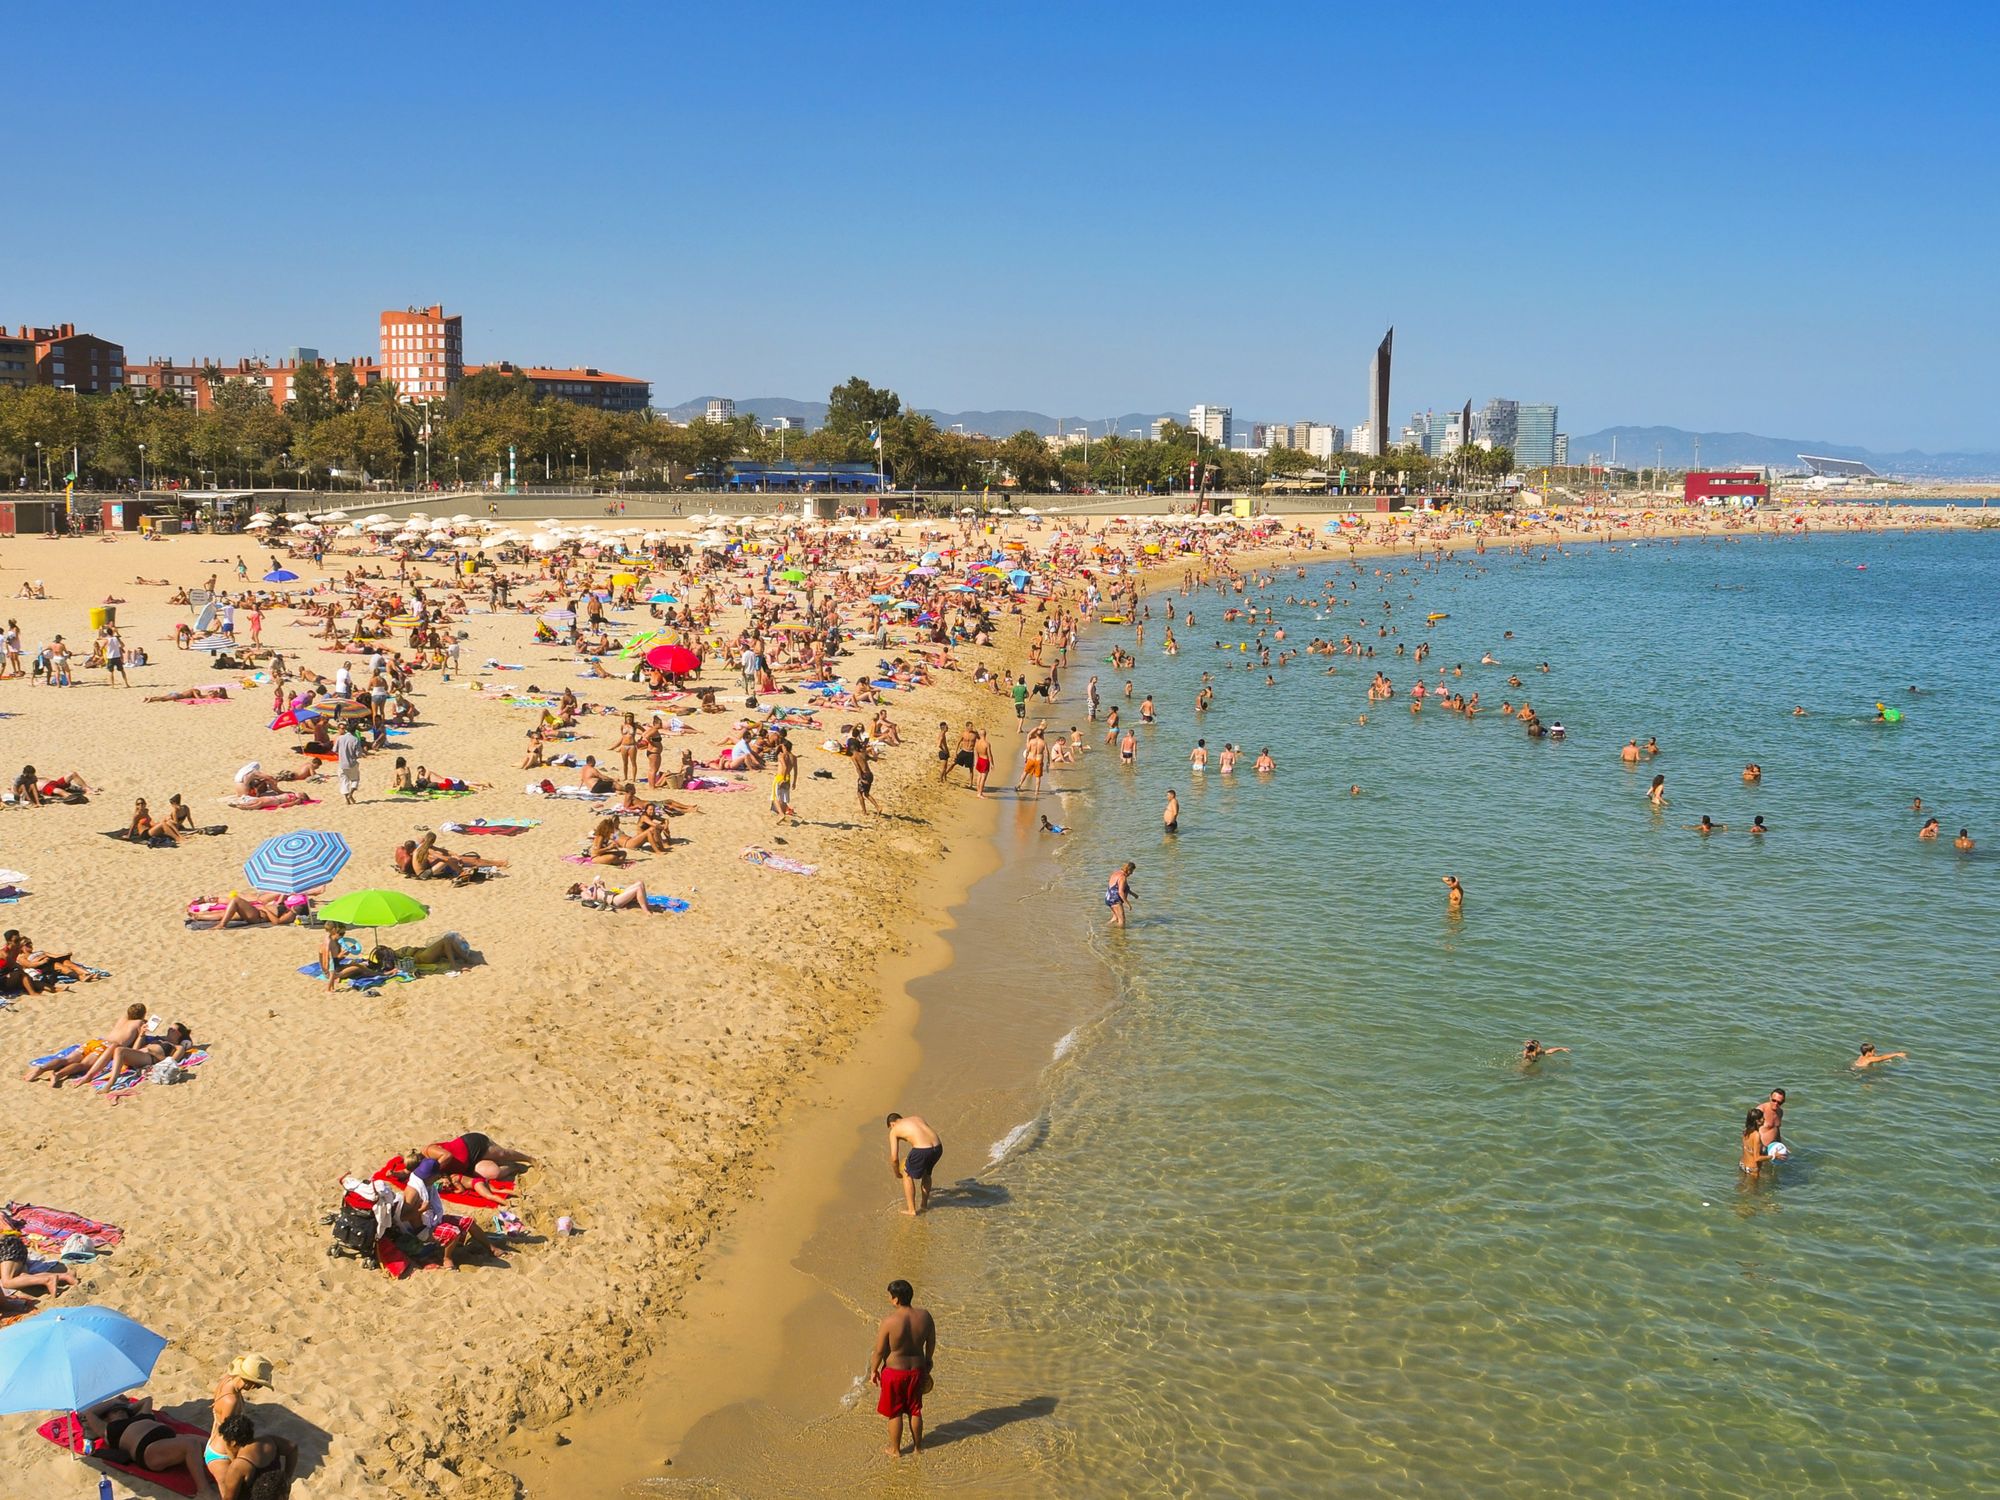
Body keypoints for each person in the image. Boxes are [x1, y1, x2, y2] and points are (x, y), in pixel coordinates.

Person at [77, 1395, 210, 1495]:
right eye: (114, 1411)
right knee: (191, 1444)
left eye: (121, 1410)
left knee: (211, 1442)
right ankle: (204, 1492)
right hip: (148, 1450)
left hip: (170, 1441)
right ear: (106, 1418)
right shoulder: (107, 1429)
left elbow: (148, 1400)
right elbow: (90, 1413)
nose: (119, 1411)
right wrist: (114, 1402)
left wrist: (127, 1407)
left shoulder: (140, 1415)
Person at [868, 1279, 936, 1459]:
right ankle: (918, 1448)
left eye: (890, 1297)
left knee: (895, 1411)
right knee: (915, 1410)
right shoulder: (925, 1316)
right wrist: (928, 1360)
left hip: (894, 1373)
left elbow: (879, 1351)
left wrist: (873, 1370)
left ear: (896, 1299)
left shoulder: (889, 1321)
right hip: (917, 1370)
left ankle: (895, 1450)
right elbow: (931, 1342)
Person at [0, 1204, 79, 1295]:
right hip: (13, 1246)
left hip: (7, 1246)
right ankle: (65, 1276)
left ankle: (48, 1279)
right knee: (22, 1277)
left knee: (7, 1282)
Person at [886, 1112, 943, 1216]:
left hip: (922, 1150)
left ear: (892, 1124)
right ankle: (924, 1206)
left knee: (906, 1174)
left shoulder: (894, 1130)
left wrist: (897, 1173)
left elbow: (894, 1158)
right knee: (926, 1173)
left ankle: (911, 1210)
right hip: (938, 1147)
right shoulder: (917, 1118)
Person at [335, 724, 363, 805]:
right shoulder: (355, 739)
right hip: (352, 763)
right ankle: (351, 794)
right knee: (355, 779)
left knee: (344, 781)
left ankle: (347, 800)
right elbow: (358, 754)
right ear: (354, 731)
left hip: (342, 763)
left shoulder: (340, 738)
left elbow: (335, 750)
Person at [1105, 860, 1136, 928]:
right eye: (1132, 871)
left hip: (1108, 898)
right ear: (1128, 870)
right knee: (1122, 921)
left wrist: (1133, 894)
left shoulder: (1116, 873)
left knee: (1115, 918)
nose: (1132, 873)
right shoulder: (1123, 877)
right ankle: (1120, 938)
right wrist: (1127, 903)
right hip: (1115, 899)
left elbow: (1125, 888)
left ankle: (1103, 928)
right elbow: (1120, 892)